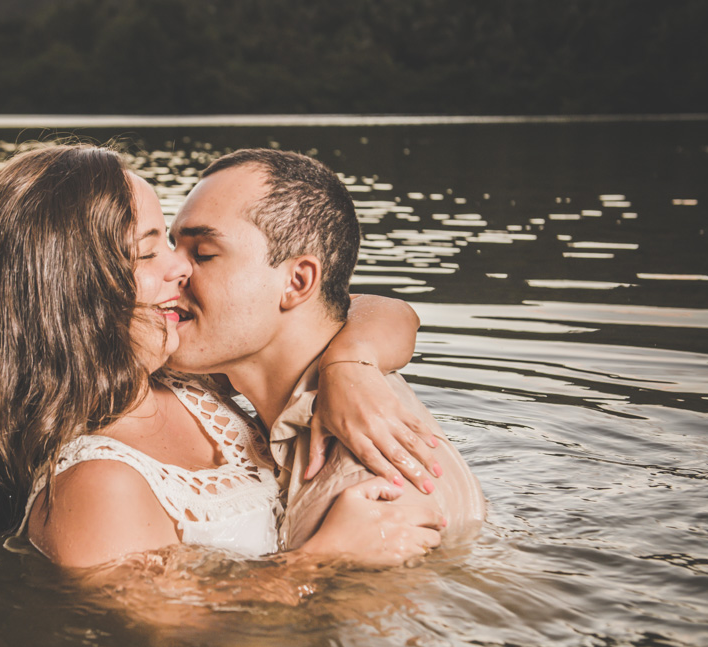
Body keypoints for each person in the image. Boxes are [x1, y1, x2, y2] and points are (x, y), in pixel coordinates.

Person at [0, 143, 448, 569]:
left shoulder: (186, 376)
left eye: (191, 250)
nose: (180, 268)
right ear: (75, 292)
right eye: (149, 250)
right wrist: (325, 558)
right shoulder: (97, 487)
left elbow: (358, 307)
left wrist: (350, 364)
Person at [167, 148, 485, 552]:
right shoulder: (335, 371)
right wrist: (349, 362)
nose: (171, 268)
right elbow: (379, 308)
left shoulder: (368, 499)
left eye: (203, 254)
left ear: (298, 282)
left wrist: (315, 561)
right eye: (171, 246)